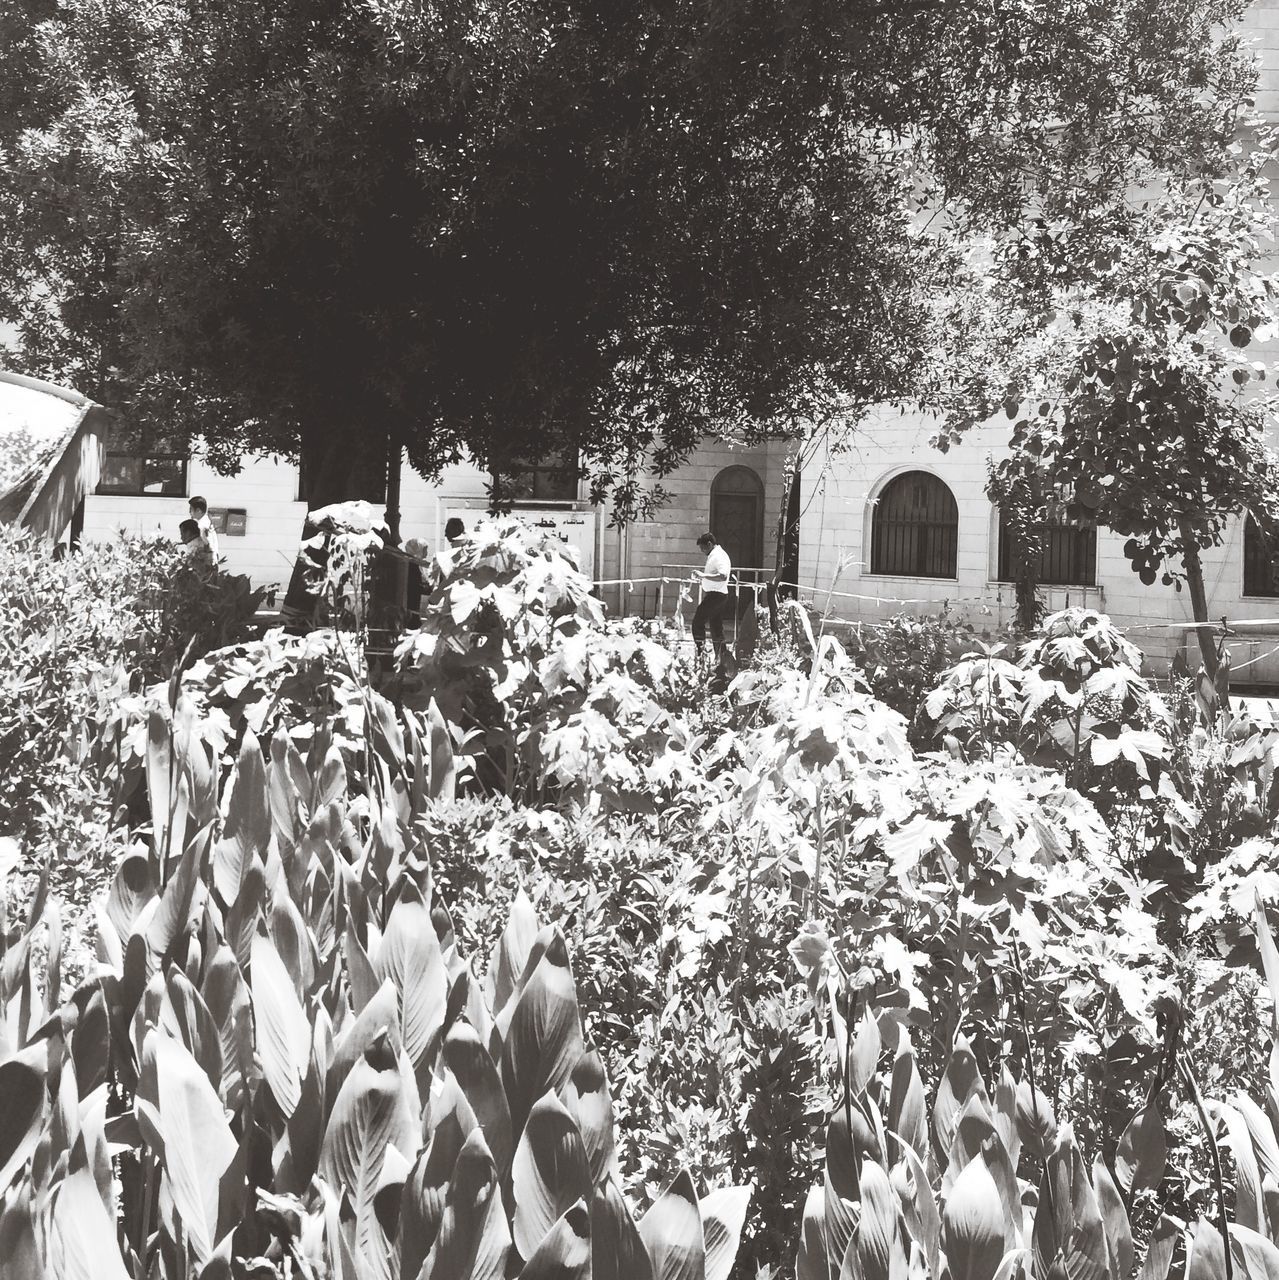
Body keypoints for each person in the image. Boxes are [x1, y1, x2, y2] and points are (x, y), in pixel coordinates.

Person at [691, 531, 731, 667]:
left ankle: (701, 654)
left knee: (697, 622)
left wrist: (703, 575)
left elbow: (723, 576)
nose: (702, 551)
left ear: (709, 544)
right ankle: (722, 660)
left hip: (716, 595)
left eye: (703, 548)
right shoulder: (715, 555)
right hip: (716, 594)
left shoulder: (719, 556)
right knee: (716, 628)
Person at [189, 495, 219, 564]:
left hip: (206, 562)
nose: (189, 512)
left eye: (191, 509)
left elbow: (207, 542)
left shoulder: (202, 525)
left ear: (198, 511)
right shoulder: (205, 521)